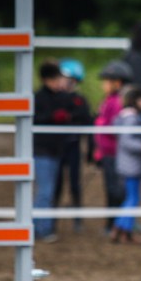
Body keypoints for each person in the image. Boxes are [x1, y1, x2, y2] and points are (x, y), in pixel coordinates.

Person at [32, 59, 80, 243]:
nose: (60, 81)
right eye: (57, 78)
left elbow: (78, 112)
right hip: (42, 151)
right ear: (47, 79)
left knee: (48, 191)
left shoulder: (60, 97)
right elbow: (36, 119)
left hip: (55, 151)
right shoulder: (39, 97)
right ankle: (41, 228)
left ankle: (40, 226)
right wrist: (53, 117)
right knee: (45, 191)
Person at [93, 59, 133, 236]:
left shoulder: (116, 102)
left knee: (115, 189)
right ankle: (113, 223)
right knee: (111, 188)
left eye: (107, 81)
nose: (104, 85)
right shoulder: (110, 100)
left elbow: (112, 128)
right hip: (108, 152)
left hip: (114, 152)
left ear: (117, 82)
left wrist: (101, 124)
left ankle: (115, 224)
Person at [55, 58, 92, 234]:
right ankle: (50, 220)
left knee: (75, 183)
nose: (70, 84)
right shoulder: (54, 97)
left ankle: (78, 219)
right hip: (56, 148)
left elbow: (87, 121)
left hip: (74, 146)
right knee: (56, 183)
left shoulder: (80, 100)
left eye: (74, 81)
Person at [110, 86, 141, 243]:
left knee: (131, 197)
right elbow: (127, 141)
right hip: (131, 165)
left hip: (127, 164)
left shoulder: (124, 117)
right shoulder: (132, 118)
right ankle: (119, 227)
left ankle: (125, 231)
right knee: (132, 198)